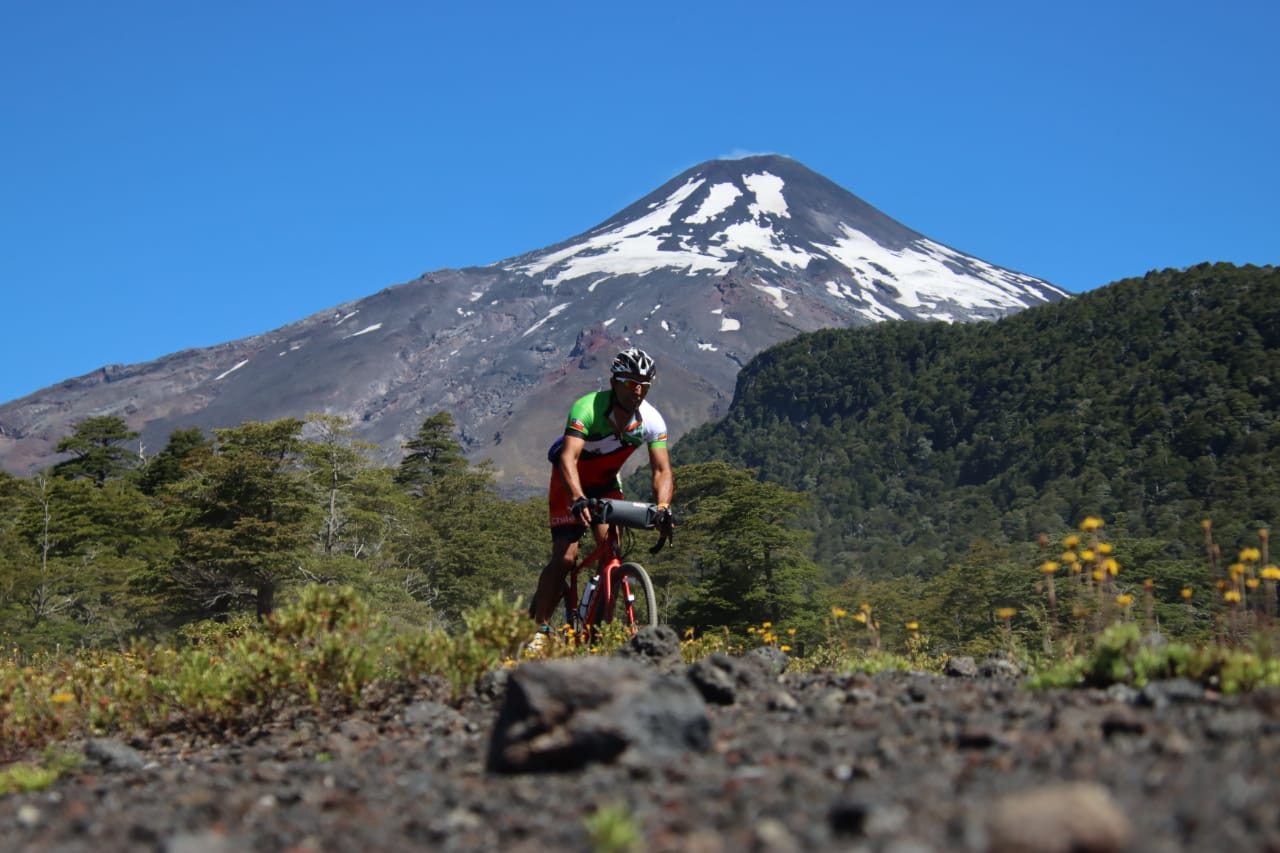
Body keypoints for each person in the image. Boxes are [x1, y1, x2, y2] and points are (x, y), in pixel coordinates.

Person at [529, 347, 674, 640]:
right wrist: (577, 498)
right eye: (632, 384)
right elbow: (568, 458)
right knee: (567, 557)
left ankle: (595, 623)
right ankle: (537, 631)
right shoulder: (587, 408)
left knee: (612, 553)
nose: (638, 392)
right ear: (615, 383)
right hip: (569, 481)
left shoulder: (652, 421)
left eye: (644, 386)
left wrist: (662, 507)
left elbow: (662, 471)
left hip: (607, 483)